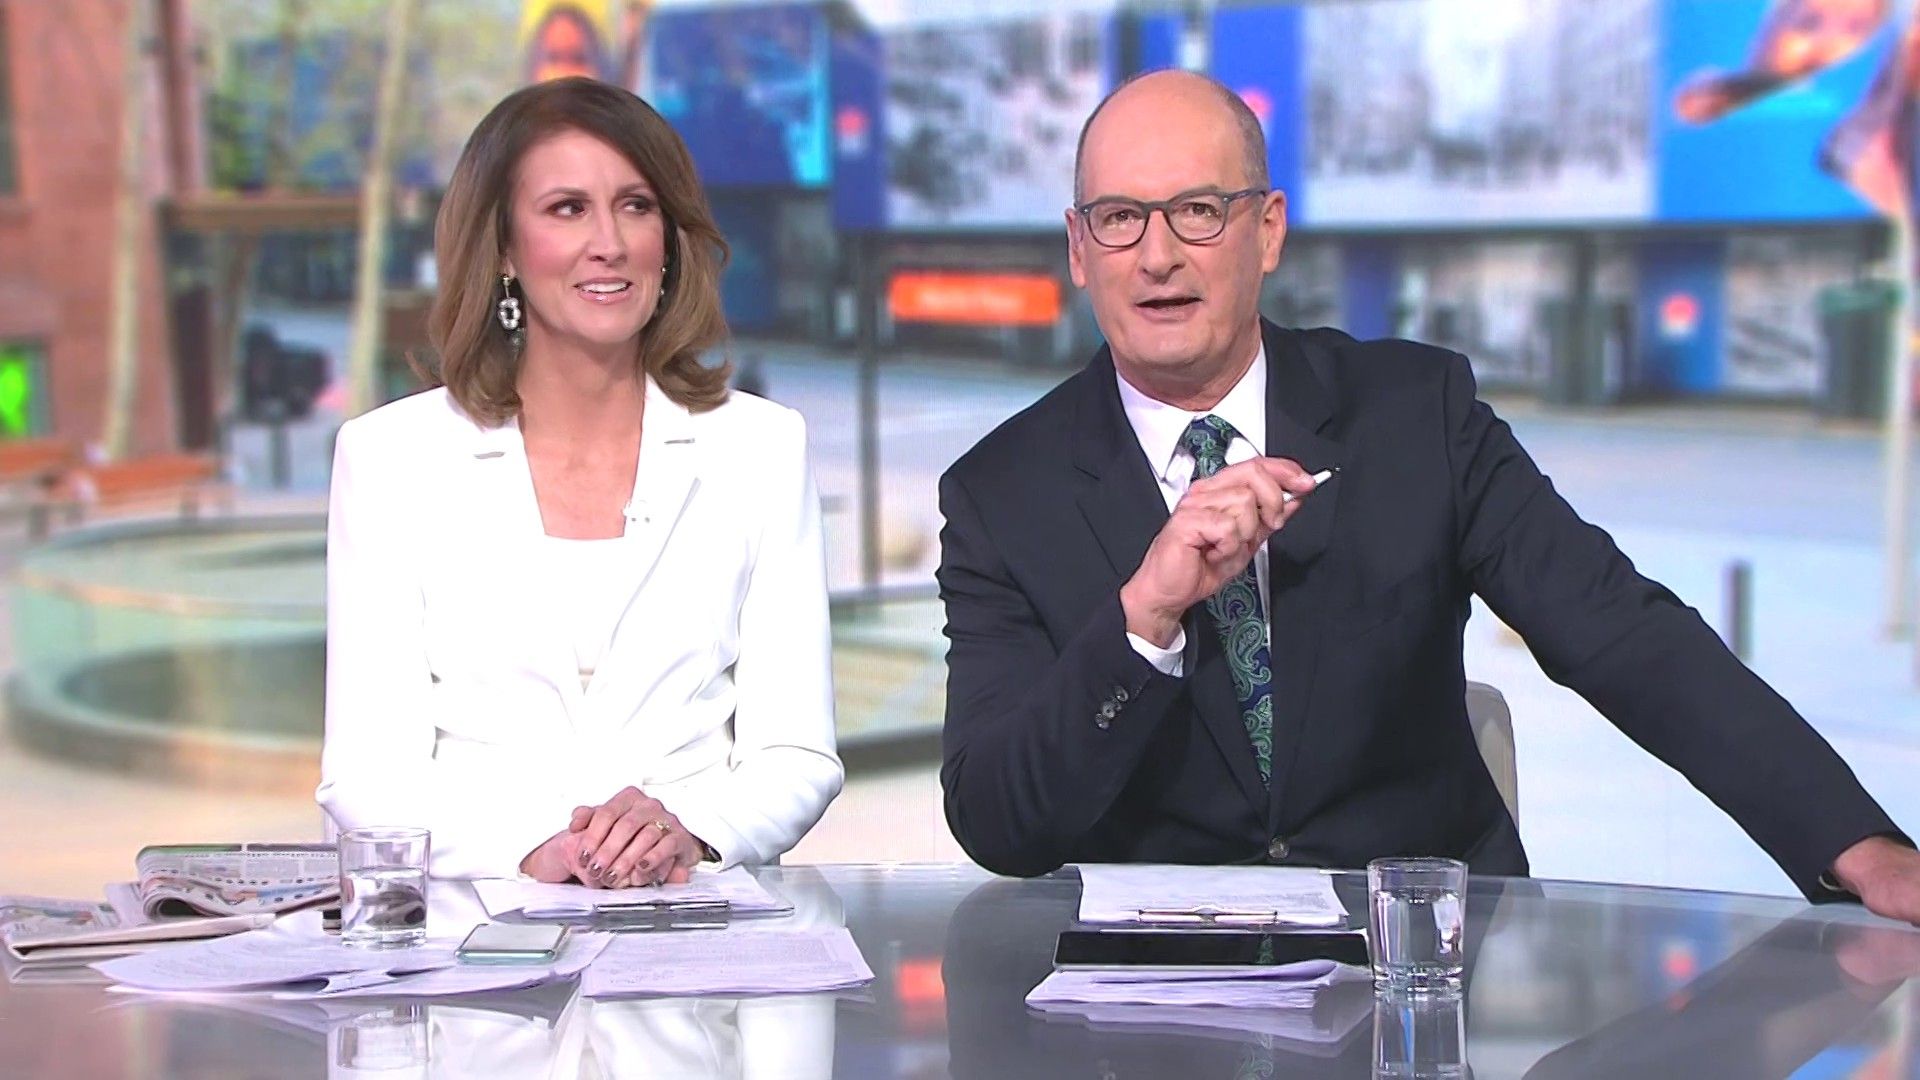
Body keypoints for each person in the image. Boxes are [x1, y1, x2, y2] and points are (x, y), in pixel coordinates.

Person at [936, 69, 1920, 923]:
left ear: (1267, 231)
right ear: (1078, 249)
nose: (1158, 256)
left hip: (1422, 971)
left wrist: (1853, 842)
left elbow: (1621, 633)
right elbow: (997, 821)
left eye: (1198, 211)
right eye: (1120, 219)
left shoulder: (1416, 415)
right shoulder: (1000, 495)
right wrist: (1144, 619)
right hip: (1155, 995)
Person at [319, 77, 842, 885]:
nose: (610, 242)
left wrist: (690, 830)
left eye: (636, 206)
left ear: (669, 239)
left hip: (692, 925)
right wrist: (540, 846)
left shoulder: (761, 448)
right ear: (503, 248)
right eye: (567, 209)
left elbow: (797, 754)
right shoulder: (390, 458)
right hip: (478, 932)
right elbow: (366, 775)